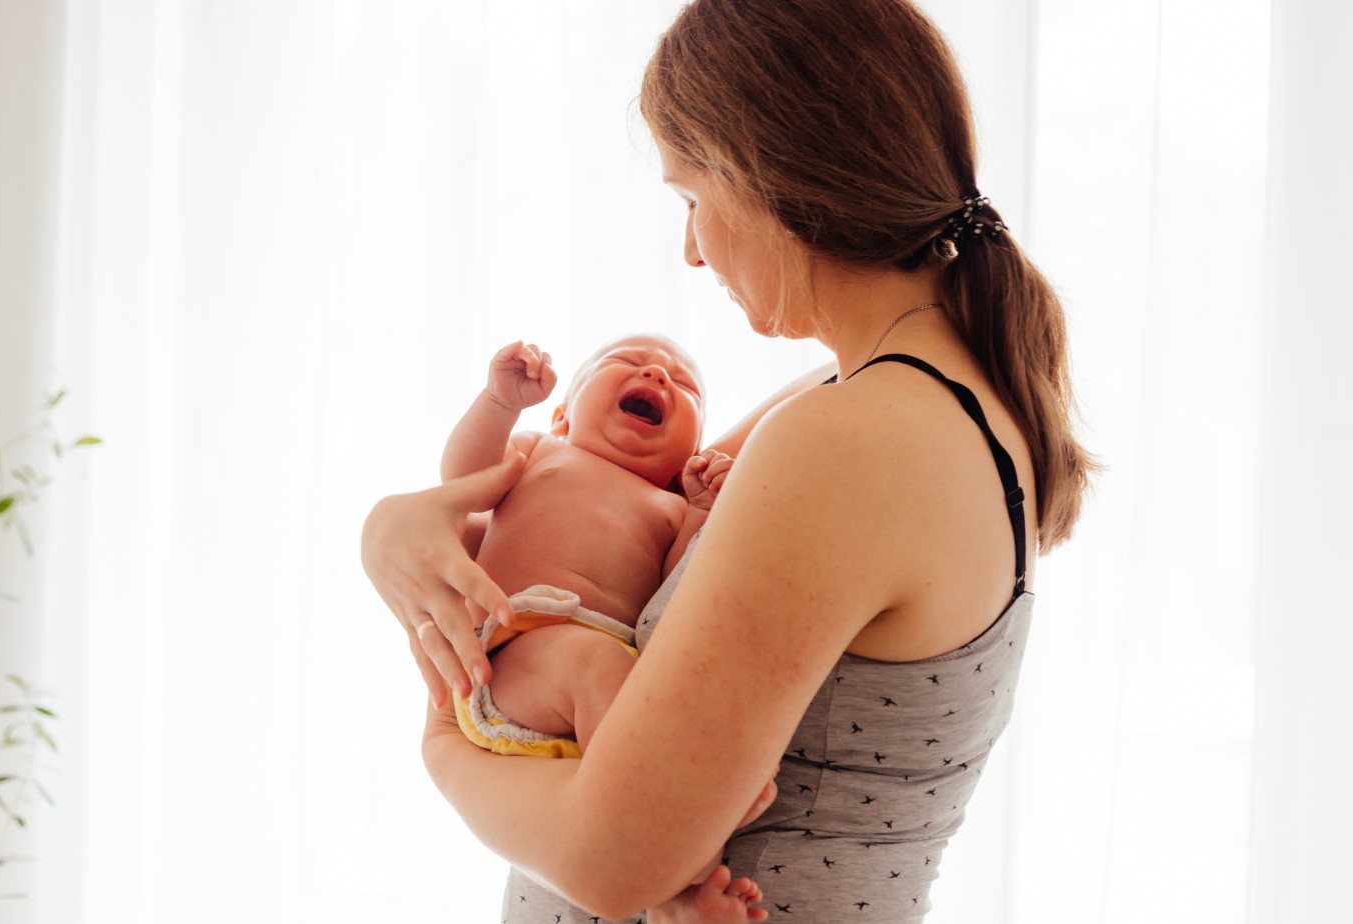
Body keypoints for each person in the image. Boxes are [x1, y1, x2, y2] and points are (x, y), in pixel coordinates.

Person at [360, 1, 1094, 921]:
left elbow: (607, 862)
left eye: (691, 200)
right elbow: (631, 489)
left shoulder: (849, 441)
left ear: (769, 174)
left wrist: (440, 735)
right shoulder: (907, 397)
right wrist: (390, 529)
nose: (693, 250)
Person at [442, 335, 770, 923]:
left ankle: (691, 882)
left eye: (686, 384)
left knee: (675, 711)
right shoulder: (538, 452)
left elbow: (675, 590)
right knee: (604, 671)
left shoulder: (670, 508)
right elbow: (461, 481)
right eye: (626, 360)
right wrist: (501, 402)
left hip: (606, 682)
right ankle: (674, 876)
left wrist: (699, 511)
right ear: (564, 414)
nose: (658, 373)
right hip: (514, 652)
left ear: (690, 454)